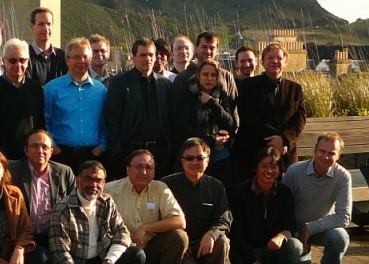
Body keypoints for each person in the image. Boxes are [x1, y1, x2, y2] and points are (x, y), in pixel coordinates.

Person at [48, 161, 146, 264]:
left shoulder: (106, 202)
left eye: (98, 181)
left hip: (99, 263)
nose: (94, 184)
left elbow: (122, 234)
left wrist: (108, 262)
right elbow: (61, 257)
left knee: (136, 255)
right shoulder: (63, 209)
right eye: (89, 179)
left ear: (104, 183)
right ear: (78, 180)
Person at [106, 149, 189, 264]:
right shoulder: (110, 190)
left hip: (150, 250)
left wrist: (145, 228)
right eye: (138, 167)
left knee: (179, 236)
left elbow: (180, 221)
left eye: (149, 167)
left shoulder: (160, 188)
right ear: (128, 169)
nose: (143, 172)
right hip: (123, 254)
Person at [228, 146, 303, 264]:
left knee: (295, 246)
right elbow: (235, 232)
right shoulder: (239, 192)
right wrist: (252, 262)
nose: (269, 171)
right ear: (256, 168)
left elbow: (290, 223)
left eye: (273, 166)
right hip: (246, 251)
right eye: (264, 166)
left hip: (270, 249)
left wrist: (281, 236)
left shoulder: (284, 192)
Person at [163, 138, 233, 264]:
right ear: (182, 161)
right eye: (189, 158)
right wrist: (180, 240)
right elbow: (160, 218)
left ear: (208, 161)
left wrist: (211, 234)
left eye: (200, 158)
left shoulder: (216, 186)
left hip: (204, 243)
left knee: (222, 241)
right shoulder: (167, 185)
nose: (194, 162)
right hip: (180, 243)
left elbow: (224, 217)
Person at [8, 130, 76, 264]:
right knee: (39, 259)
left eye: (45, 147)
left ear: (51, 151)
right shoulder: (12, 170)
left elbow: (74, 207)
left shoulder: (64, 172)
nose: (40, 151)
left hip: (52, 234)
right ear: (25, 150)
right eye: (34, 146)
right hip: (22, 235)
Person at [283, 132, 352, 264]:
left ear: (338, 156)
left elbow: (344, 217)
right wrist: (297, 232)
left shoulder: (343, 177)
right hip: (294, 230)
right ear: (315, 150)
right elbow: (282, 208)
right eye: (322, 151)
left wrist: (309, 228)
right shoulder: (295, 171)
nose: (325, 157)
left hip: (321, 228)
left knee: (340, 237)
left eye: (331, 153)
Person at [233, 42, 307, 181]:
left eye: (278, 58)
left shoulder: (295, 88)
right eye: (270, 58)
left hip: (286, 154)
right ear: (262, 62)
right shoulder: (249, 86)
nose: (274, 61)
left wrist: (285, 139)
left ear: (285, 61)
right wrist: (275, 141)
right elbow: (249, 116)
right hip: (256, 151)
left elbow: (300, 118)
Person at [104, 39, 173, 179]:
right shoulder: (120, 83)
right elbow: (112, 118)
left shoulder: (165, 84)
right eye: (143, 55)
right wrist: (117, 150)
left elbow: (170, 118)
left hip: (159, 152)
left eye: (151, 55)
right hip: (129, 150)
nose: (147, 59)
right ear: (134, 57)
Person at [44, 37, 107, 173]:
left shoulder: (101, 90)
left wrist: (102, 146)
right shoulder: (51, 89)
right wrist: (53, 146)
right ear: (67, 60)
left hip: (92, 155)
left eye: (85, 57)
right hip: (61, 154)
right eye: (76, 57)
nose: (81, 61)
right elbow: (44, 120)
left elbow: (105, 121)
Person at [0, 39, 46, 160]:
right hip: (2, 158)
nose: (18, 65)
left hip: (30, 157)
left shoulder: (36, 89)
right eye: (13, 60)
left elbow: (40, 122)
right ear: (4, 61)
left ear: (28, 62)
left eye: (22, 60)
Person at [172, 59, 237, 182]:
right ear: (198, 75)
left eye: (213, 75)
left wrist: (212, 103)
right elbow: (183, 127)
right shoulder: (187, 95)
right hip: (194, 152)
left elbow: (229, 123)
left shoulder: (221, 93)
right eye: (205, 74)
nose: (209, 78)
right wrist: (211, 140)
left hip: (219, 154)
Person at [26, 7, 67, 85]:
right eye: (41, 24)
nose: (45, 28)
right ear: (32, 26)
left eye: (48, 24)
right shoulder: (24, 56)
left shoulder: (62, 56)